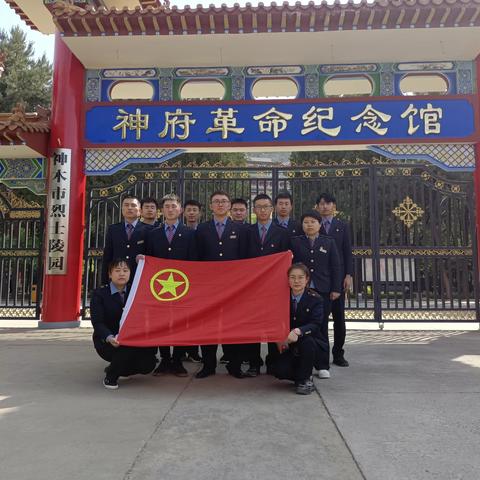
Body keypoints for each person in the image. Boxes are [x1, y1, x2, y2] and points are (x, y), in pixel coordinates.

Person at [142, 193, 197, 377]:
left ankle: (177, 360)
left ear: (180, 210)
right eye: (167, 206)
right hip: (160, 289)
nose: (171, 209)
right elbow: (149, 258)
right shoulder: (153, 234)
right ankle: (165, 359)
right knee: (162, 324)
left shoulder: (191, 234)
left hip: (183, 286)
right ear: (162, 210)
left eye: (174, 206)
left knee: (181, 324)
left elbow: (194, 260)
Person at [195, 190, 247, 379]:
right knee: (207, 326)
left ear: (229, 206)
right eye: (216, 201)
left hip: (234, 288)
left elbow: (244, 258)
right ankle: (208, 365)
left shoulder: (241, 229)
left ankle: (234, 365)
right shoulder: (201, 229)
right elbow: (197, 258)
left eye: (224, 201)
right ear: (210, 206)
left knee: (232, 326)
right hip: (208, 287)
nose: (220, 205)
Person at [91, 259, 157, 390]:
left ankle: (122, 369)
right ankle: (111, 376)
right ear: (110, 274)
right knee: (126, 346)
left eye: (125, 271)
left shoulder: (137, 292)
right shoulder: (100, 294)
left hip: (134, 339)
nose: (122, 274)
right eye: (117, 271)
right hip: (109, 340)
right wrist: (110, 337)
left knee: (148, 365)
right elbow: (98, 322)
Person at [290, 210, 341, 379]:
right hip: (300, 290)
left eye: (313, 221)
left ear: (319, 224)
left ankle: (322, 365)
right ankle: (301, 364)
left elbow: (335, 266)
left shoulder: (328, 242)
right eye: (306, 222)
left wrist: (335, 289)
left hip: (323, 290)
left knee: (321, 327)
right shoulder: (295, 242)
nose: (309, 225)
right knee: (302, 326)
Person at [245, 193, 290, 377]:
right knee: (252, 325)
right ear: (254, 210)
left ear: (272, 209)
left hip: (274, 288)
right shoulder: (246, 232)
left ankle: (273, 361)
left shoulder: (282, 233)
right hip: (252, 288)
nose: (263, 210)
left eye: (266, 206)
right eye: (259, 207)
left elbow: (286, 259)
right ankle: (254, 363)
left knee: (274, 324)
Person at [273, 263, 329, 395]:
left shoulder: (316, 299)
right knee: (278, 371)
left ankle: (304, 379)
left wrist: (298, 331)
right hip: (287, 342)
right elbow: (275, 320)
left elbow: (316, 324)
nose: (296, 281)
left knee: (308, 342)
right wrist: (279, 339)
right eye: (292, 277)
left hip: (308, 341)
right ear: (288, 279)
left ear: (307, 279)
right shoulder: (280, 298)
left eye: (300, 277)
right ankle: (301, 374)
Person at [316, 193, 353, 367]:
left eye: (328, 203)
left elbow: (347, 251)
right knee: (320, 319)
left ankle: (338, 353)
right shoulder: (313, 224)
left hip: (338, 279)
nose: (324, 206)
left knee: (339, 319)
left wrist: (348, 275)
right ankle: (321, 355)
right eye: (321, 204)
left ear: (334, 206)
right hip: (320, 278)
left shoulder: (341, 226)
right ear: (317, 207)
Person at [101, 195, 152, 285]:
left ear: (140, 211)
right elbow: (107, 256)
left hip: (140, 279)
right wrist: (105, 282)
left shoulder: (149, 230)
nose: (129, 208)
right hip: (117, 279)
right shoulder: (113, 229)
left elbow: (152, 256)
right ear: (122, 209)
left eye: (133, 205)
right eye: (126, 205)